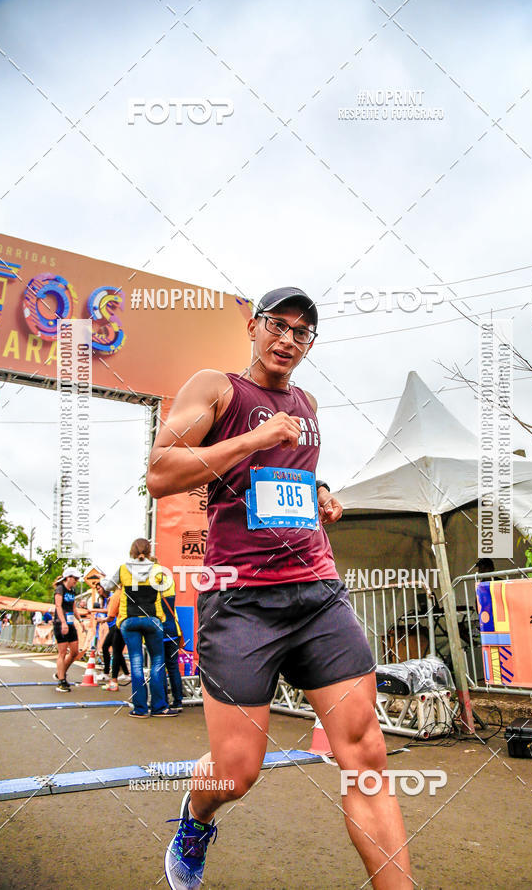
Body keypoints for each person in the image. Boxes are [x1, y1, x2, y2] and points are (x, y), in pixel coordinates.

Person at [147, 287, 412, 889]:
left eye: (302, 332)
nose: (289, 339)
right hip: (241, 600)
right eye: (279, 325)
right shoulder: (216, 388)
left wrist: (320, 496)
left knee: (366, 758)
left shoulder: (307, 402)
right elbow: (160, 472)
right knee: (236, 772)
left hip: (316, 592)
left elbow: (289, 477)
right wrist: (250, 440)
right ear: (254, 327)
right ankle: (194, 821)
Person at [110, 539, 179, 718]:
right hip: (152, 620)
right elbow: (166, 592)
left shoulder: (123, 569)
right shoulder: (158, 570)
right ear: (149, 552)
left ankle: (140, 708)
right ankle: (159, 707)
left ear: (131, 551)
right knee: (157, 662)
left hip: (129, 620)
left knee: (136, 664)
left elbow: (107, 586)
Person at [53, 566, 83, 692]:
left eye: (77, 578)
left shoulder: (72, 591)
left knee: (75, 652)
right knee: (62, 652)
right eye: (74, 578)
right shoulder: (60, 589)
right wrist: (63, 623)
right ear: (68, 578)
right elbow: (58, 606)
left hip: (71, 623)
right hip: (61, 623)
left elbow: (73, 607)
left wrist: (80, 620)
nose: (76, 580)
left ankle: (61, 672)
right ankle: (61, 680)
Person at [99, 579, 130, 690]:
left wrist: (102, 620)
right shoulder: (132, 590)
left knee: (116, 652)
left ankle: (114, 681)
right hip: (137, 624)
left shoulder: (118, 593)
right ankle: (134, 680)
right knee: (136, 654)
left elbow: (111, 614)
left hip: (121, 624)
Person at [160, 572, 183, 710]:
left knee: (160, 667)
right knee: (173, 667)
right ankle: (178, 701)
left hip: (158, 632)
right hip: (173, 631)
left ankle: (163, 701)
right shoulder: (170, 584)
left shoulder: (150, 589)